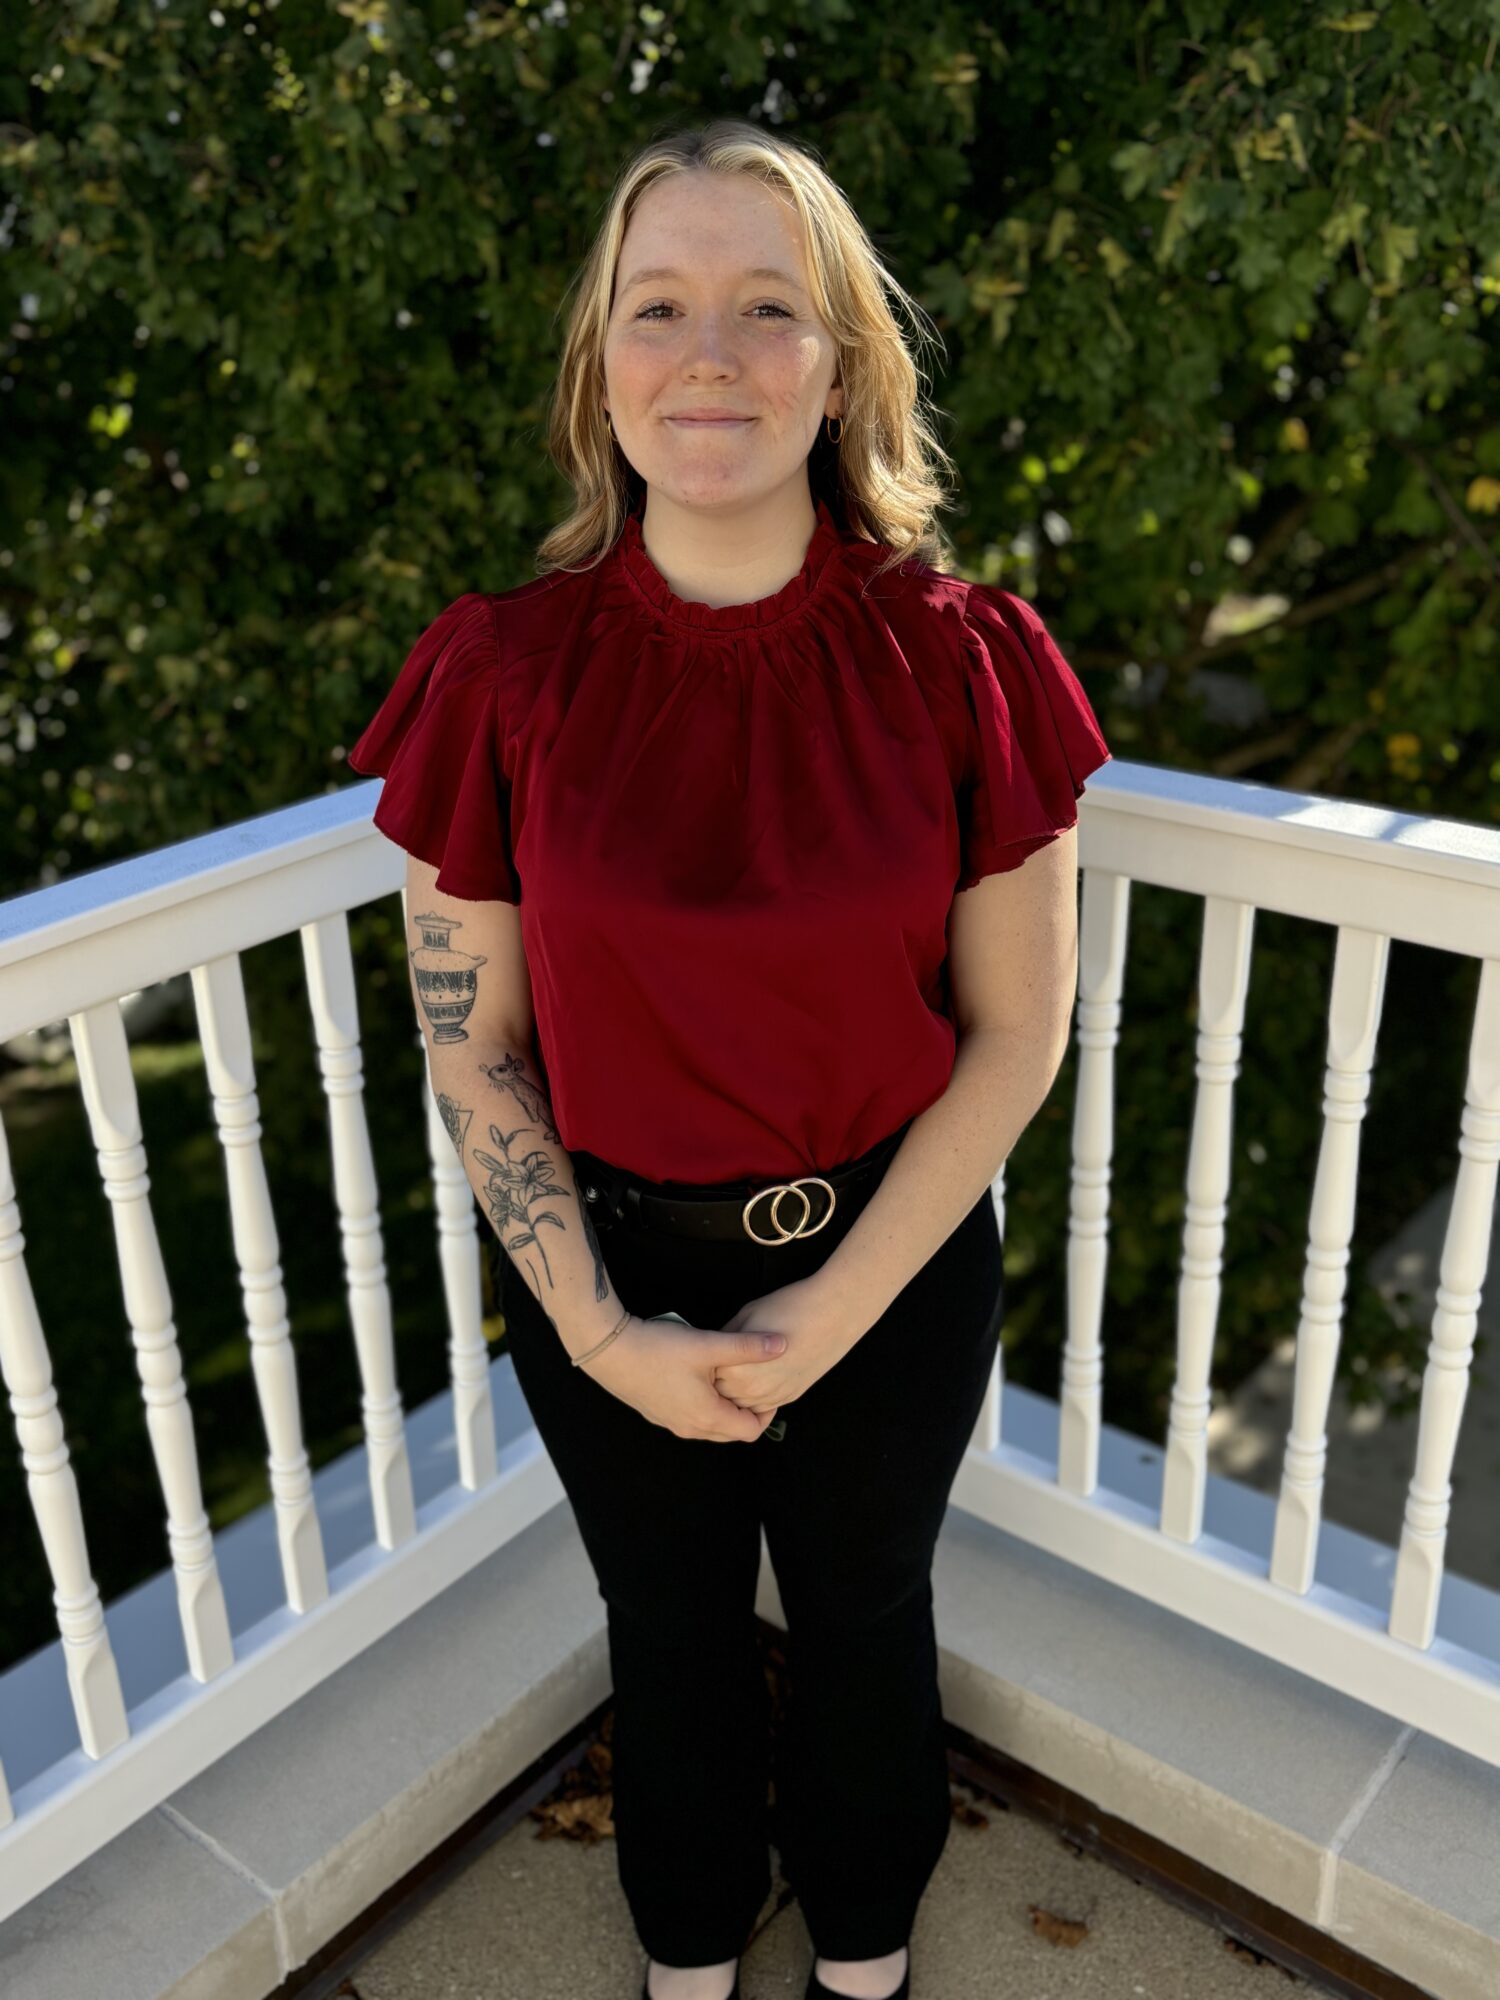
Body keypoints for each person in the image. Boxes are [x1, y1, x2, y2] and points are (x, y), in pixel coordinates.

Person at [347, 119, 1111, 2000]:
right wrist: (609, 1332)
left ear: (841, 362)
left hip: (891, 1259)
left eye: (771, 308)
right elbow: (476, 1056)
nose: (712, 355)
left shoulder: (968, 660)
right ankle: (687, 1955)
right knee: (667, 1631)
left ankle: (866, 1956)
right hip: (595, 1262)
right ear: (598, 362)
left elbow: (1016, 1040)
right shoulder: (501, 673)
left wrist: (826, 1321)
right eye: (660, 305)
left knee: (865, 1622)